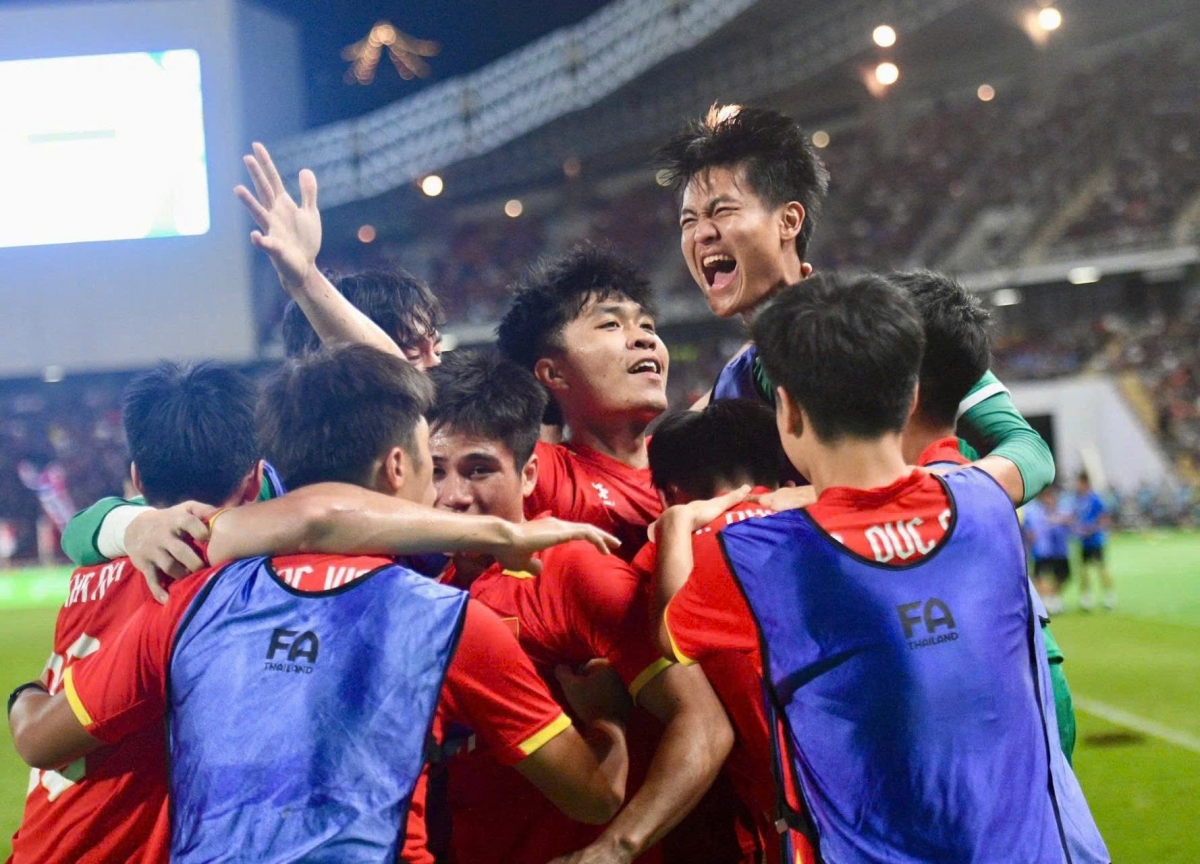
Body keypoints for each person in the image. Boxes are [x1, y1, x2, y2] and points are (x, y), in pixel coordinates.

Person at [9, 345, 632, 864]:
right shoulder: (445, 619)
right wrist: (612, 724)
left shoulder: (194, 598)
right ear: (397, 467)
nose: (446, 494)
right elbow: (593, 798)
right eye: (431, 464)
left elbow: (40, 740)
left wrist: (24, 694)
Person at [654, 274, 1108, 863]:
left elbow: (672, 637)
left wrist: (678, 530)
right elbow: (1014, 462)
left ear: (786, 411)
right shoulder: (985, 506)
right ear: (912, 397)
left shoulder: (752, 554)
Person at [59, 143, 445, 578]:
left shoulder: (466, 442)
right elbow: (81, 528)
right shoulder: (276, 473)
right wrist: (136, 526)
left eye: (436, 347)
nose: (433, 366)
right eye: (411, 353)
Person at [424, 349, 736, 864]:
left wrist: (614, 848)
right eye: (435, 471)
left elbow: (703, 724)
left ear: (527, 475)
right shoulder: (433, 585)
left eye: (478, 470)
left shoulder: (572, 572)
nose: (452, 496)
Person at [657, 104, 1055, 505]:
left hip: (943, 560)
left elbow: (1028, 452)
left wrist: (912, 502)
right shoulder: (736, 384)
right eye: (688, 221)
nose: (701, 233)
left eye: (721, 211)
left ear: (789, 221)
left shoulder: (887, 325)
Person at [7, 362, 264, 864]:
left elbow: (81, 529)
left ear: (136, 477)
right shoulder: (201, 587)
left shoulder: (93, 569)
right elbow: (40, 739)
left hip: (47, 838)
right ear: (254, 481)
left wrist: (26, 693)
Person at [637, 399, 806, 864]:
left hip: (793, 810)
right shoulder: (819, 519)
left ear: (672, 493)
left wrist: (674, 529)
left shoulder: (678, 552)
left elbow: (669, 634)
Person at [496, 245, 669, 557]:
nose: (646, 339)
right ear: (554, 373)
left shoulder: (693, 457)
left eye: (647, 326)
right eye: (611, 325)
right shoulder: (541, 474)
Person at [1025, 486, 1073, 617]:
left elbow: (1071, 520)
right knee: (1039, 576)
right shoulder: (1034, 510)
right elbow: (1029, 529)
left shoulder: (1062, 509)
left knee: (1064, 575)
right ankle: (1046, 600)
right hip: (1042, 550)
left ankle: (1052, 596)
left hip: (1059, 550)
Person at [1074, 471, 1116, 611]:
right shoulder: (1079, 500)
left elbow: (1104, 517)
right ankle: (1087, 598)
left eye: (1078, 482)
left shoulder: (1095, 498)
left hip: (1096, 540)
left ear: (1084, 482)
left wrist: (1094, 529)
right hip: (1084, 541)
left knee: (1102, 569)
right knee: (1084, 571)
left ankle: (1109, 596)